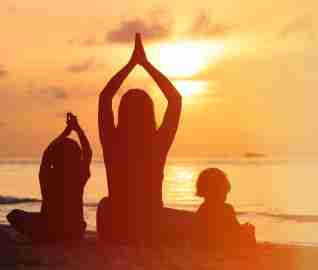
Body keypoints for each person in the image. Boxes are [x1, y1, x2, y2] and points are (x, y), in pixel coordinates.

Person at [97, 33, 192, 246]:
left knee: (105, 205)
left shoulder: (113, 143)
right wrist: (145, 64)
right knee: (186, 220)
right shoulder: (157, 144)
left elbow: (105, 97)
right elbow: (175, 99)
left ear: (122, 113)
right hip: (151, 230)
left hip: (118, 230)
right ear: (149, 114)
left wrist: (132, 64)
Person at [7, 113, 92, 243]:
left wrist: (65, 132)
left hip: (50, 230)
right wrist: (77, 128)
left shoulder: (49, 176)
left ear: (55, 158)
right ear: (76, 158)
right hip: (74, 232)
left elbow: (46, 154)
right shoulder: (78, 176)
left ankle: (44, 236)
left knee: (14, 215)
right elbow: (88, 152)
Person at [192, 168, 256, 251]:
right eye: (225, 191)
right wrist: (247, 229)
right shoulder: (227, 209)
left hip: (209, 245)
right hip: (225, 246)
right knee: (249, 230)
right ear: (219, 190)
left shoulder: (202, 209)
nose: (226, 194)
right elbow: (235, 232)